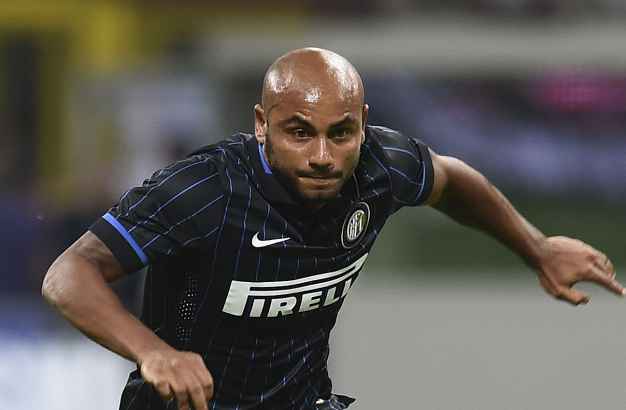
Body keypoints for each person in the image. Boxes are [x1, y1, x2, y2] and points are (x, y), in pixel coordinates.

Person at [42, 48, 623, 410]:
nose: (323, 155)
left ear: (362, 124)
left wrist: (537, 248)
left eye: (341, 133)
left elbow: (451, 179)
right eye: (299, 132)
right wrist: (153, 353)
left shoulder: (380, 167)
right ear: (262, 124)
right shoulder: (205, 189)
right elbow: (69, 274)